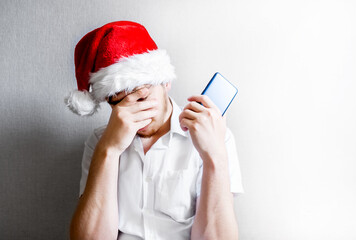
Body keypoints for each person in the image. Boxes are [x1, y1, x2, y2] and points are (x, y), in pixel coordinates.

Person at [66, 21, 244, 240]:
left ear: (166, 82)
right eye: (120, 106)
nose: (136, 117)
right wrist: (109, 150)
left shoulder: (217, 138)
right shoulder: (99, 142)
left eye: (142, 98)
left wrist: (213, 155)